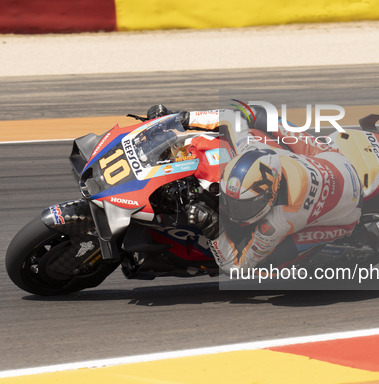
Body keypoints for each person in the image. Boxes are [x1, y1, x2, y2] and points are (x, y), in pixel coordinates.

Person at [146, 104, 363, 273]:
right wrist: (179, 118)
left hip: (347, 212)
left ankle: (326, 253)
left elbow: (236, 267)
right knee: (255, 113)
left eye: (241, 206)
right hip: (330, 158)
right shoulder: (252, 149)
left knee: (270, 264)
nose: (231, 210)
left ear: (268, 198)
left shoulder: (277, 222)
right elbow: (231, 117)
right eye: (230, 202)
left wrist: (213, 228)